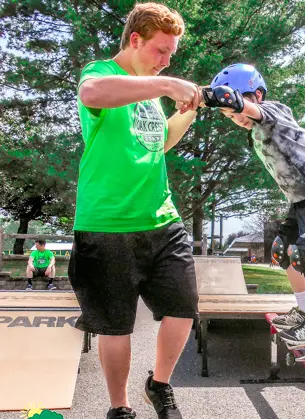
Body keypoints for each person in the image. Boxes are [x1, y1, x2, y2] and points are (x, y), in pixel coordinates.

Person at [71, 3, 201, 419]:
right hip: (106, 223)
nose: (166, 62)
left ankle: (158, 385)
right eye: (161, 52)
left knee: (184, 308)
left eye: (171, 56)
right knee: (116, 327)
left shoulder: (150, 94)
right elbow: (91, 94)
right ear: (135, 40)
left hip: (162, 219)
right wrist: (165, 86)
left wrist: (187, 114)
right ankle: (120, 408)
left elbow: (156, 143)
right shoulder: (100, 73)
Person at [202, 64, 305, 346]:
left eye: (237, 109)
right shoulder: (254, 132)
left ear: (257, 94)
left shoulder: (275, 111)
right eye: (229, 116)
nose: (236, 117)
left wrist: (231, 101)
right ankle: (304, 313)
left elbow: (255, 111)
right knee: (281, 251)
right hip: (300, 198)